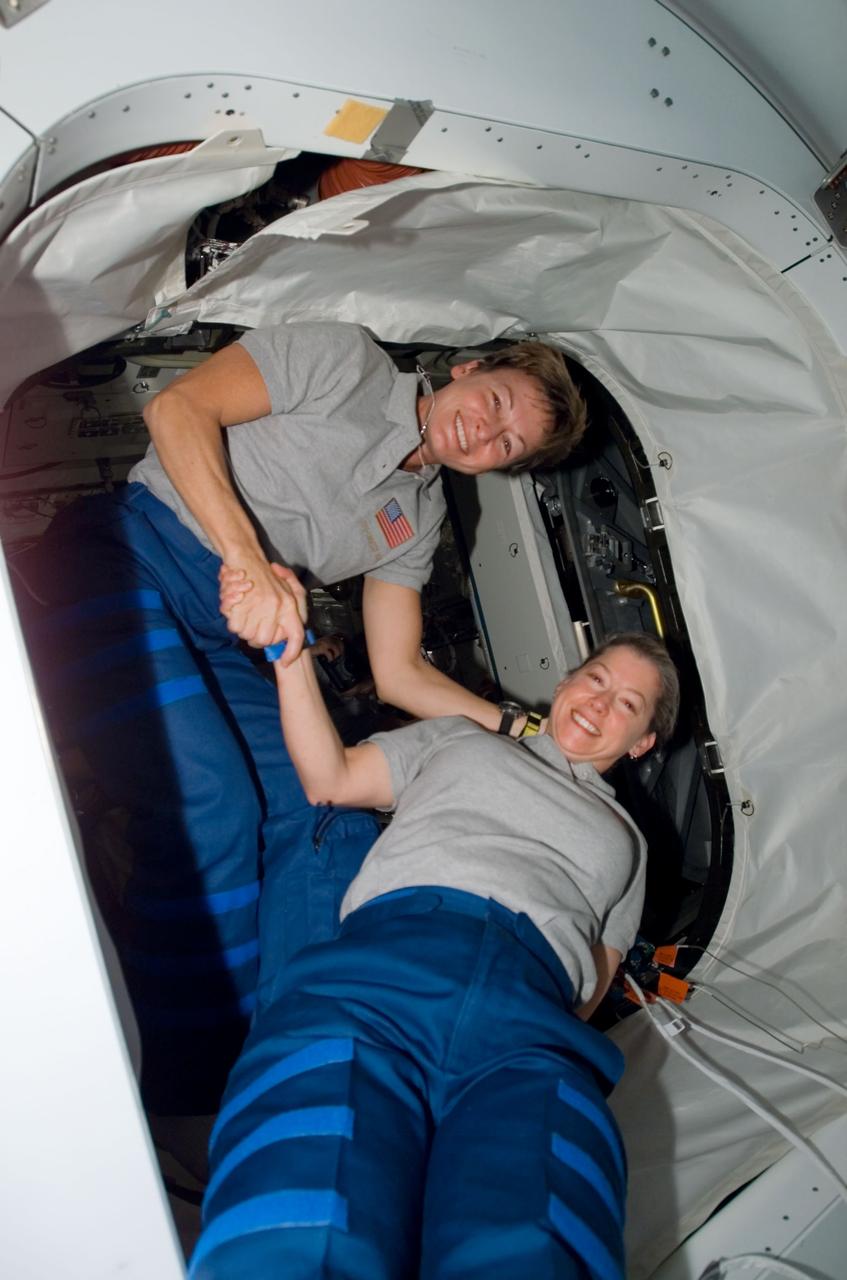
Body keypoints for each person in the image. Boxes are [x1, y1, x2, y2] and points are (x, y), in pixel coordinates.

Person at [18, 320, 586, 1113]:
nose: (483, 433)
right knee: (211, 800)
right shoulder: (345, 361)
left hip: (215, 628)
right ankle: (162, 1075)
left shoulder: (418, 515)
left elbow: (399, 671)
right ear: (467, 369)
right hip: (119, 553)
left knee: (326, 812)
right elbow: (176, 411)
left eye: (507, 444)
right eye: (495, 403)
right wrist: (247, 559)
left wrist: (526, 733)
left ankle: (281, 1063)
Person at [189, 615, 680, 1280]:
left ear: (642, 741)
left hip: (528, 1024)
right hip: (383, 973)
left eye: (626, 703)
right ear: (565, 682)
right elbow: (330, 779)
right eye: (595, 678)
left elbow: (595, 980)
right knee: (300, 1208)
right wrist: (290, 656)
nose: (599, 702)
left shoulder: (630, 843)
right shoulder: (459, 738)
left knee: (538, 1239)